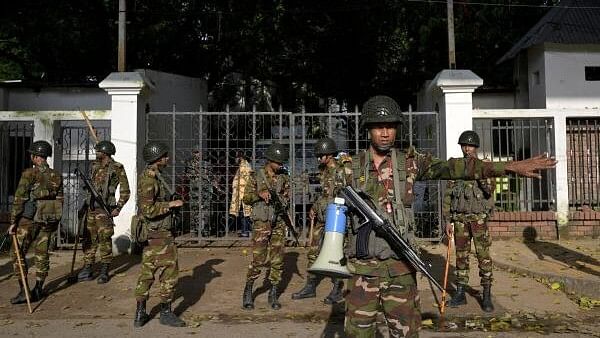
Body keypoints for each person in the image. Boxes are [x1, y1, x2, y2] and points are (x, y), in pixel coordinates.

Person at [343, 95, 556, 337]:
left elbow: (458, 167)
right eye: (378, 127)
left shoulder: (411, 163)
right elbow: (334, 218)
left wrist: (507, 167)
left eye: (390, 126)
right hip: (362, 272)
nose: (385, 133)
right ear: (368, 129)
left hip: (400, 268)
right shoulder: (349, 168)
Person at [291, 137, 351, 304]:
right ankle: (310, 287)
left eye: (321, 156)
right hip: (323, 216)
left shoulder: (343, 170)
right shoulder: (323, 171)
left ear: (329, 155)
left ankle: (337, 288)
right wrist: (314, 207)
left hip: (337, 217)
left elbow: (348, 194)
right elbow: (324, 194)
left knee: (337, 253)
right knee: (313, 252)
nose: (318, 159)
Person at [133, 142, 185, 328]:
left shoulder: (155, 176)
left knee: (147, 273)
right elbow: (148, 210)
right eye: (164, 156)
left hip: (157, 233)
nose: (167, 159)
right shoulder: (149, 180)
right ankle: (165, 312)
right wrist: (171, 205)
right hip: (158, 234)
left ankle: (140, 314)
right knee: (169, 273)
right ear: (156, 158)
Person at [443, 130, 495, 312]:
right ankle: (460, 293)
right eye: (464, 145)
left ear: (476, 147)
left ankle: (486, 294)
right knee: (461, 258)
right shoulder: (456, 167)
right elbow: (448, 195)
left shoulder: (484, 166)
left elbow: (490, 190)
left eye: (470, 145)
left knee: (483, 257)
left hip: (478, 220)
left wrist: (480, 173)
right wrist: (447, 220)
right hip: (460, 221)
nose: (467, 149)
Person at [8, 140, 63, 304]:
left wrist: (13, 221)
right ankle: (39, 288)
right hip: (48, 219)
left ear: (35, 156)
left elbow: (19, 199)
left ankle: (24, 290)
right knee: (42, 253)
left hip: (29, 220)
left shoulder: (29, 174)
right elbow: (60, 199)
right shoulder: (56, 175)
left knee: (16, 252)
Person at [241, 143, 290, 310]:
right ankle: (248, 290)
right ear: (270, 160)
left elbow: (287, 197)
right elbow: (246, 198)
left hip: (278, 223)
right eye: (279, 162)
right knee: (258, 259)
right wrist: (259, 195)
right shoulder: (256, 176)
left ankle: (273, 292)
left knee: (278, 259)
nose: (281, 165)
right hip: (262, 223)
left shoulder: (284, 177)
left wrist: (282, 201)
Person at [78, 140, 130, 284]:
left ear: (105, 152)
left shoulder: (117, 167)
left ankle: (104, 270)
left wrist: (118, 207)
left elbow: (125, 191)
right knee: (88, 238)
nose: (96, 153)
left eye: (98, 151)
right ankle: (88, 268)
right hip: (91, 207)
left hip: (105, 208)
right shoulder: (94, 166)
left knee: (104, 239)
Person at [229, 153, 253, 237]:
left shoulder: (244, 166)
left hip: (243, 193)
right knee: (244, 213)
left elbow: (245, 181)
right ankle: (245, 230)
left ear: (241, 158)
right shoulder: (242, 166)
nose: (235, 159)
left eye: (236, 157)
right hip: (241, 193)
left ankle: (246, 231)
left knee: (246, 214)